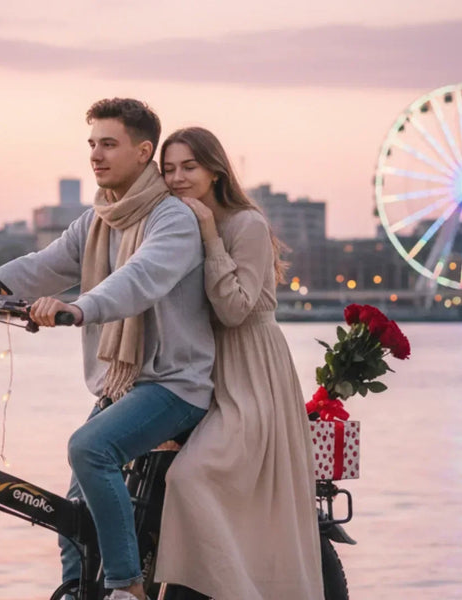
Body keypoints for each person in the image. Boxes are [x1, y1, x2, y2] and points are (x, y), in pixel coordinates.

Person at [0, 99, 214, 600]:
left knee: (89, 448)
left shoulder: (171, 220)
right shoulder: (97, 221)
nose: (95, 154)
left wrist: (78, 308)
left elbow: (140, 279)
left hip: (175, 384)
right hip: (123, 385)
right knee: (76, 505)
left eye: (109, 144)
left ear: (143, 152)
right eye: (91, 144)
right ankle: (76, 589)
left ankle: (125, 589)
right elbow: (39, 266)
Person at [154, 127, 325, 599]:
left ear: (215, 169)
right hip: (207, 370)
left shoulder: (244, 224)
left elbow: (234, 310)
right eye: (168, 170)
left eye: (189, 167)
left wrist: (211, 235)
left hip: (251, 371)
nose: (178, 178)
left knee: (190, 475)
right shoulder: (177, 221)